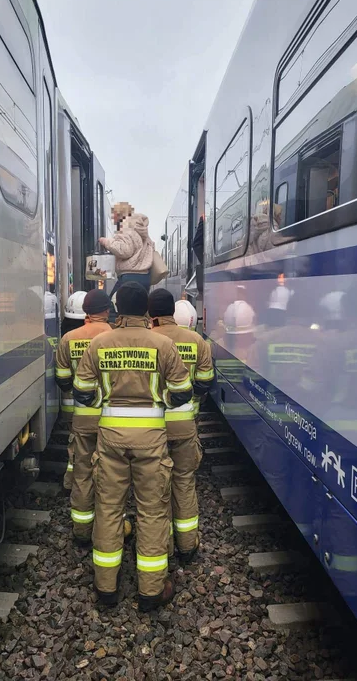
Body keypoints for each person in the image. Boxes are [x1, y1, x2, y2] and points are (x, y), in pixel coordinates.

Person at [73, 282, 193, 610]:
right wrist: (158, 401)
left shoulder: (99, 344)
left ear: (116, 309)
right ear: (146, 311)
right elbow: (184, 392)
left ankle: (106, 588)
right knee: (152, 511)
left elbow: (81, 391)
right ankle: (151, 592)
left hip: (110, 439)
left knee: (109, 508)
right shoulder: (163, 344)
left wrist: (107, 401)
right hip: (152, 442)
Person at [148, 291, 214, 562]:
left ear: (151, 315)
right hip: (184, 424)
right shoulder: (197, 340)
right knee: (184, 481)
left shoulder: (147, 341)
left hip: (152, 428)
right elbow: (205, 381)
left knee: (154, 488)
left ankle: (159, 546)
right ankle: (187, 545)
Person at [55, 290, 114, 543]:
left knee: (82, 472)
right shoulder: (117, 337)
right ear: (107, 311)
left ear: (85, 312)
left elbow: (62, 379)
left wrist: (79, 396)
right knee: (112, 474)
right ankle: (109, 527)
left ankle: (81, 530)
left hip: (82, 417)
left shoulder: (69, 338)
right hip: (112, 419)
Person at [99, 202, 154, 295]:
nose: (113, 219)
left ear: (119, 214)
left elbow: (125, 250)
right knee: (137, 308)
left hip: (129, 277)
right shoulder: (141, 231)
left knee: (112, 305)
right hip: (145, 277)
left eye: (114, 215)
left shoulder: (126, 227)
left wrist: (106, 242)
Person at [57, 292, 88, 425]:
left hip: (69, 408)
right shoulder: (101, 338)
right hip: (95, 408)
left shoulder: (65, 338)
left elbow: (62, 377)